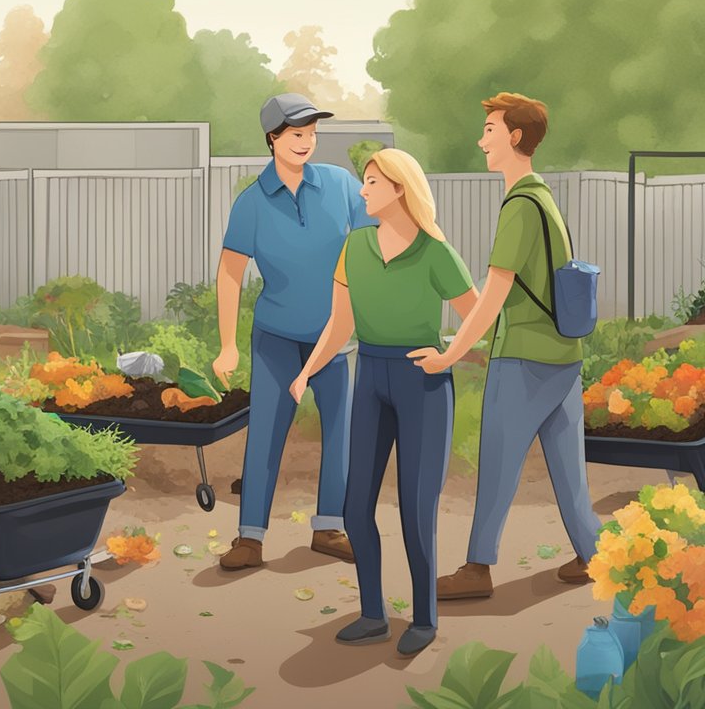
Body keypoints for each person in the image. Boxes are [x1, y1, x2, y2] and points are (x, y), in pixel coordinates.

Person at [413, 92, 602, 597]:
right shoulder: (546, 200)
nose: (482, 141)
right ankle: (596, 557)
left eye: (490, 131)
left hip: (523, 357)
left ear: (515, 137)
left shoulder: (519, 206)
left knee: (497, 462)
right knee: (569, 470)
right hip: (564, 355)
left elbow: (494, 294)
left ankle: (477, 568)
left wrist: (450, 355)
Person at [290, 149, 478, 656]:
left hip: (423, 385)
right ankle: (373, 613)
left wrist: (448, 356)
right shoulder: (354, 246)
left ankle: (423, 618)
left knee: (416, 511)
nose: (363, 190)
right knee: (355, 509)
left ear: (400, 189)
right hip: (370, 376)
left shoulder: (436, 251)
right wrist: (307, 371)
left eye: (372, 182)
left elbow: (478, 316)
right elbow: (341, 324)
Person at [213, 93, 375, 571]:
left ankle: (329, 527)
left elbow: (369, 244)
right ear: (273, 139)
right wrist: (226, 345)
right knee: (265, 431)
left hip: (334, 337)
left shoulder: (341, 185)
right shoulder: (252, 203)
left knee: (341, 432)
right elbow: (229, 273)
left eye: (311, 134)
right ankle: (250, 536)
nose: (306, 143)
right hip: (277, 337)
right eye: (296, 134)